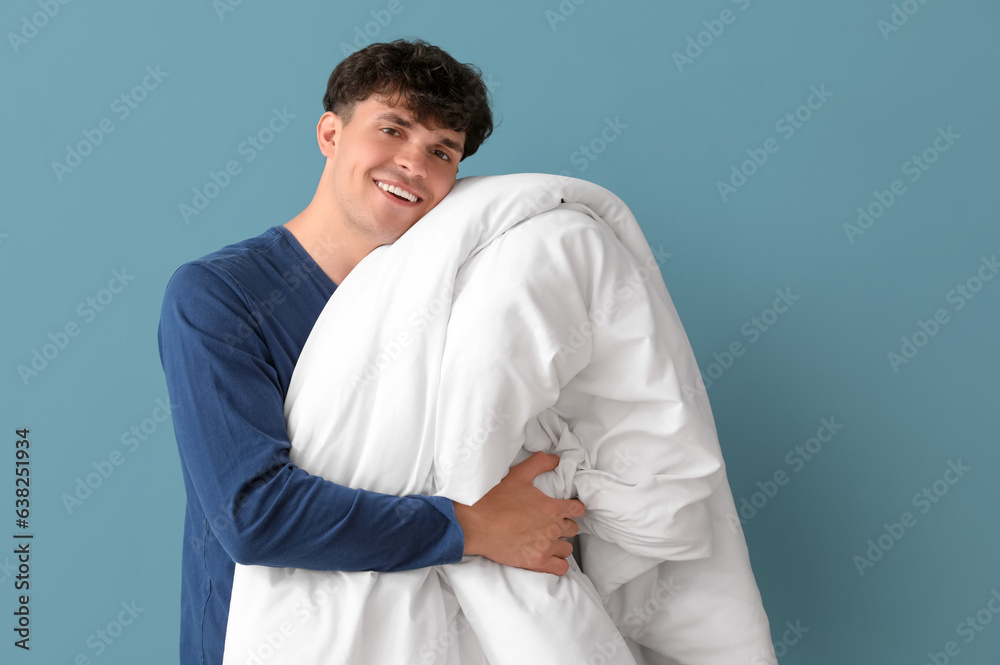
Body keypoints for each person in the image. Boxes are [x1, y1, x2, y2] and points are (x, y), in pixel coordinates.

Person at [157, 39, 584, 665]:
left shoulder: (461, 305)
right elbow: (254, 513)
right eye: (392, 129)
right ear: (331, 133)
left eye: (443, 151)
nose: (414, 163)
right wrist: (474, 528)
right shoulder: (221, 296)